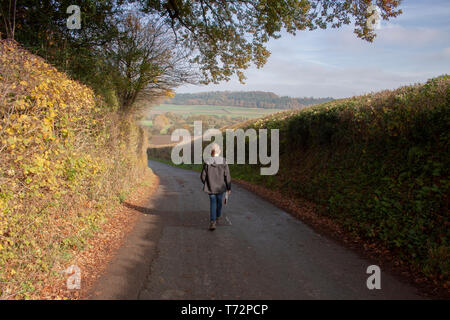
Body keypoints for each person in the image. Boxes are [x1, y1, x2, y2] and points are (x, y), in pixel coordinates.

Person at [200, 143, 231, 231]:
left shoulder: (207, 161)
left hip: (211, 187)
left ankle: (212, 222)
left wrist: (207, 183)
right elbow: (227, 176)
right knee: (219, 202)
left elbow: (202, 176)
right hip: (221, 187)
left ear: (211, 152)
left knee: (213, 203)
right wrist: (229, 188)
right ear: (219, 151)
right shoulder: (224, 161)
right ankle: (218, 216)